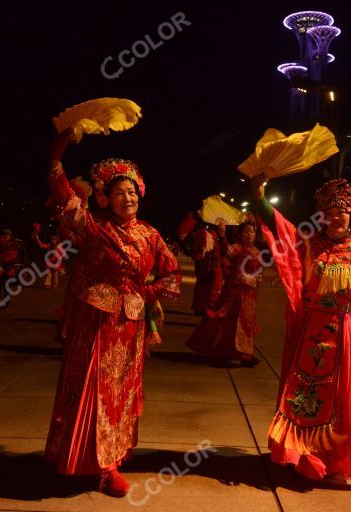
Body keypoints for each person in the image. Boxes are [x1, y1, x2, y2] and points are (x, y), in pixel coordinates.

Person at [43, 129, 181, 498]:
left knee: (120, 394)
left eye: (132, 191)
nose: (127, 198)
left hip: (129, 324)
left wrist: (145, 292)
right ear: (105, 198)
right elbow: (63, 192)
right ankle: (92, 462)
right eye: (119, 192)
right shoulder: (92, 227)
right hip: (94, 321)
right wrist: (59, 149)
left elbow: (171, 275)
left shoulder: (151, 236)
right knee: (92, 389)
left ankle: (110, 460)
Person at [250, 173, 351, 481]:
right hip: (307, 332)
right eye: (330, 213)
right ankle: (300, 455)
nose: (336, 217)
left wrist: (348, 329)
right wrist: (259, 197)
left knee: (337, 402)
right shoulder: (310, 244)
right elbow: (280, 228)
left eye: (342, 212)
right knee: (299, 395)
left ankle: (334, 462)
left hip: (339, 339)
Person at [186, 220, 262, 365]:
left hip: (250, 295)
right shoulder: (237, 248)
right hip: (235, 292)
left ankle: (242, 353)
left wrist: (258, 282)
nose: (249, 234)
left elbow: (258, 272)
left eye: (252, 232)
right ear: (240, 234)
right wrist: (221, 235)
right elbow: (226, 250)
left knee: (246, 323)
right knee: (230, 322)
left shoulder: (257, 251)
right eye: (246, 231)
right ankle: (239, 354)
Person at [190, 226, 224, 315]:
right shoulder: (208, 247)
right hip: (208, 273)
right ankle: (203, 308)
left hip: (212, 274)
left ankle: (206, 308)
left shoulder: (214, 248)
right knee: (204, 292)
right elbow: (197, 259)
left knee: (209, 292)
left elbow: (213, 264)